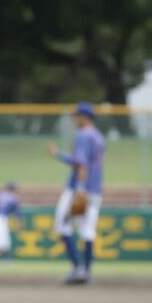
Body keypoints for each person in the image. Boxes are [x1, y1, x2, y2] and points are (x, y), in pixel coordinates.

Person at [45, 102, 106, 285]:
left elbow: (81, 164)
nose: (75, 120)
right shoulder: (99, 137)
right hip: (95, 191)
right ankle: (86, 272)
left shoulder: (83, 135)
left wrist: (79, 188)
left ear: (84, 117)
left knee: (63, 225)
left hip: (79, 190)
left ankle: (78, 269)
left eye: (77, 116)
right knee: (87, 231)